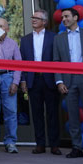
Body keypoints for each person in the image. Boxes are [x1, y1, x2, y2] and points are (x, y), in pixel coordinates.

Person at [53, 8, 83, 160]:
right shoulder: (58, 38)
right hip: (67, 80)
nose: (64, 19)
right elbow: (56, 61)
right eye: (62, 17)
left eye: (67, 16)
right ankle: (76, 147)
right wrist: (59, 81)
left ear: (75, 17)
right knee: (72, 115)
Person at [20, 9, 61, 155]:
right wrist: (23, 80)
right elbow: (22, 62)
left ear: (44, 22)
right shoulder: (25, 40)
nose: (33, 20)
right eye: (32, 18)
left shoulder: (54, 37)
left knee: (52, 114)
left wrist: (59, 80)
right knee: (36, 114)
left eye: (36, 18)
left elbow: (58, 59)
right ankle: (40, 144)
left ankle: (54, 145)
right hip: (33, 80)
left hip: (50, 80)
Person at [0, 17, 23, 153]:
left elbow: (19, 65)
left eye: (1, 26)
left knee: (10, 112)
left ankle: (11, 142)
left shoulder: (13, 44)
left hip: (8, 77)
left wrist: (15, 82)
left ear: (7, 29)